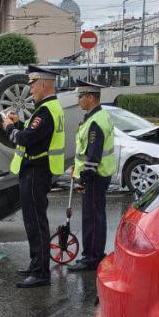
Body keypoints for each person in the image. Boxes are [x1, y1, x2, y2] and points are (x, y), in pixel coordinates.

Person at [3, 65, 65, 289]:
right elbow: (34, 134)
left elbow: (27, 139)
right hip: (35, 170)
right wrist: (17, 124)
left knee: (36, 222)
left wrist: (11, 128)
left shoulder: (46, 110)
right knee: (32, 220)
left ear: (45, 84)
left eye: (33, 84)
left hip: (36, 171)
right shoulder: (46, 109)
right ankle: (35, 264)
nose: (30, 89)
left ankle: (40, 272)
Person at [68, 80, 115, 273]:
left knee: (92, 218)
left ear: (90, 97)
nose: (78, 100)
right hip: (98, 176)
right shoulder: (97, 117)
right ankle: (95, 254)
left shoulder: (95, 122)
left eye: (80, 96)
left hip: (95, 177)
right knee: (96, 216)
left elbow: (93, 156)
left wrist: (84, 179)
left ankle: (92, 258)